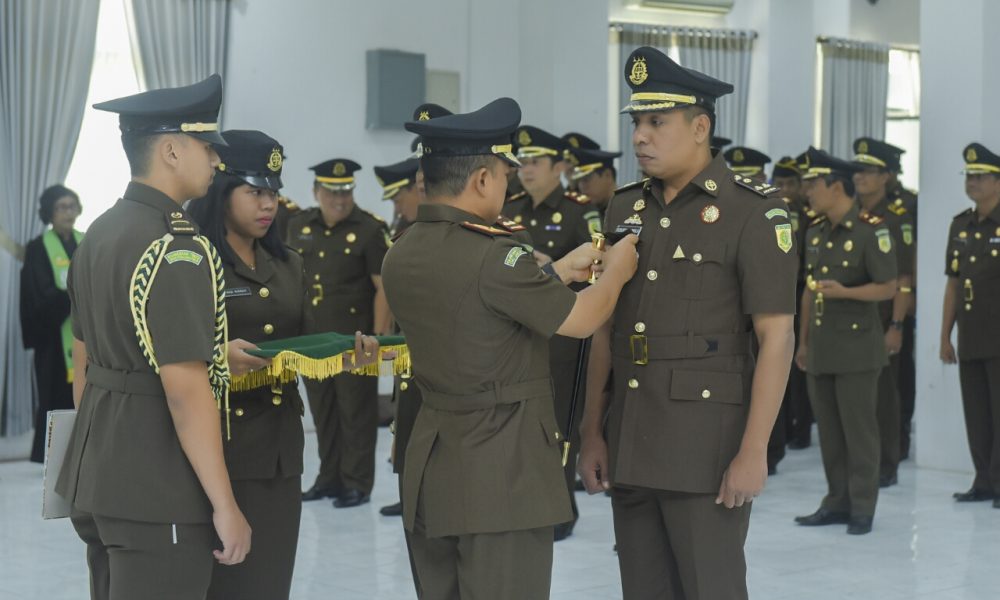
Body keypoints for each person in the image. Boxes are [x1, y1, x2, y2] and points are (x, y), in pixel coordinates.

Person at [382, 97, 638, 599]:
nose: (508, 184)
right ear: (482, 179)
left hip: (432, 466)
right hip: (500, 476)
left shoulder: (403, 250)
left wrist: (556, 271)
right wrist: (618, 269)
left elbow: (476, 309)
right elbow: (583, 319)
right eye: (504, 174)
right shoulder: (496, 255)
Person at [578, 47, 797, 599]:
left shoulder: (754, 212)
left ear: (700, 128)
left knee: (710, 588)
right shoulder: (624, 208)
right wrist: (592, 431)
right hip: (631, 435)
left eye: (657, 122)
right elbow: (604, 328)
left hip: (707, 447)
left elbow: (776, 338)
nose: (639, 137)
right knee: (643, 589)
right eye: (636, 122)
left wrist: (754, 451)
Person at [54, 75, 253, 600]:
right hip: (157, 485)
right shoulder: (175, 246)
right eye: (207, 147)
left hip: (100, 473)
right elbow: (185, 390)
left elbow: (84, 362)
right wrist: (226, 505)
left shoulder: (100, 231)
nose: (217, 161)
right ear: (171, 150)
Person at [502, 124, 600, 540]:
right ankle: (527, 503)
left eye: (536, 161)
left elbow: (603, 268)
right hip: (519, 332)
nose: (526, 169)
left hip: (564, 333)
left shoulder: (580, 211)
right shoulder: (509, 208)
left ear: (559, 167)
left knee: (559, 422)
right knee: (522, 421)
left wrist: (556, 264)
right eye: (522, 161)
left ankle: (561, 508)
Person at [794, 147, 898, 535]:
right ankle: (836, 501)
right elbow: (809, 291)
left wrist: (846, 293)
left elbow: (888, 288)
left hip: (857, 350)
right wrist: (803, 342)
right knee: (830, 433)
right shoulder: (815, 231)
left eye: (813, 184)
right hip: (822, 347)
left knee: (859, 432)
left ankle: (862, 507)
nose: (807, 191)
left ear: (836, 186)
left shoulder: (872, 230)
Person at [289, 158, 392, 508]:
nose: (340, 199)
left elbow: (383, 288)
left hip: (354, 341)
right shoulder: (299, 225)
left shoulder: (369, 229)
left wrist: (378, 338)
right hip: (312, 339)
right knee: (323, 412)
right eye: (332, 192)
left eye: (346, 191)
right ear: (316, 192)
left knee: (356, 412)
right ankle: (328, 477)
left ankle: (356, 483)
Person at [851, 137, 916, 488]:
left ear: (885, 176)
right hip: (851, 317)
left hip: (882, 316)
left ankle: (887, 464)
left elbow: (904, 279)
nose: (859, 176)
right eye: (857, 170)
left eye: (868, 170)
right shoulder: (849, 213)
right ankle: (861, 463)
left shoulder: (896, 218)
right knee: (857, 397)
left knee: (885, 396)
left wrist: (897, 324)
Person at [941, 142, 1000, 508]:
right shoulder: (960, 225)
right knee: (977, 412)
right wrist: (944, 336)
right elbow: (953, 283)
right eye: (969, 176)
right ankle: (984, 480)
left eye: (980, 176)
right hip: (971, 334)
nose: (972, 182)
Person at [20, 184, 83, 463]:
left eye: (72, 206)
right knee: (53, 396)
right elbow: (38, 294)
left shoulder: (87, 242)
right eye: (61, 207)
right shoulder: (37, 248)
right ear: (49, 213)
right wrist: (75, 294)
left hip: (85, 337)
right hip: (52, 340)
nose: (68, 212)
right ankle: (51, 457)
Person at [771, 156, 814, 450]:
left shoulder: (805, 216)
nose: (785, 189)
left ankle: (802, 426)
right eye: (780, 183)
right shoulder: (771, 212)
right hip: (777, 292)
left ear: (800, 186)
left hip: (800, 291)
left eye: (790, 184)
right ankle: (785, 426)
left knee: (798, 366)